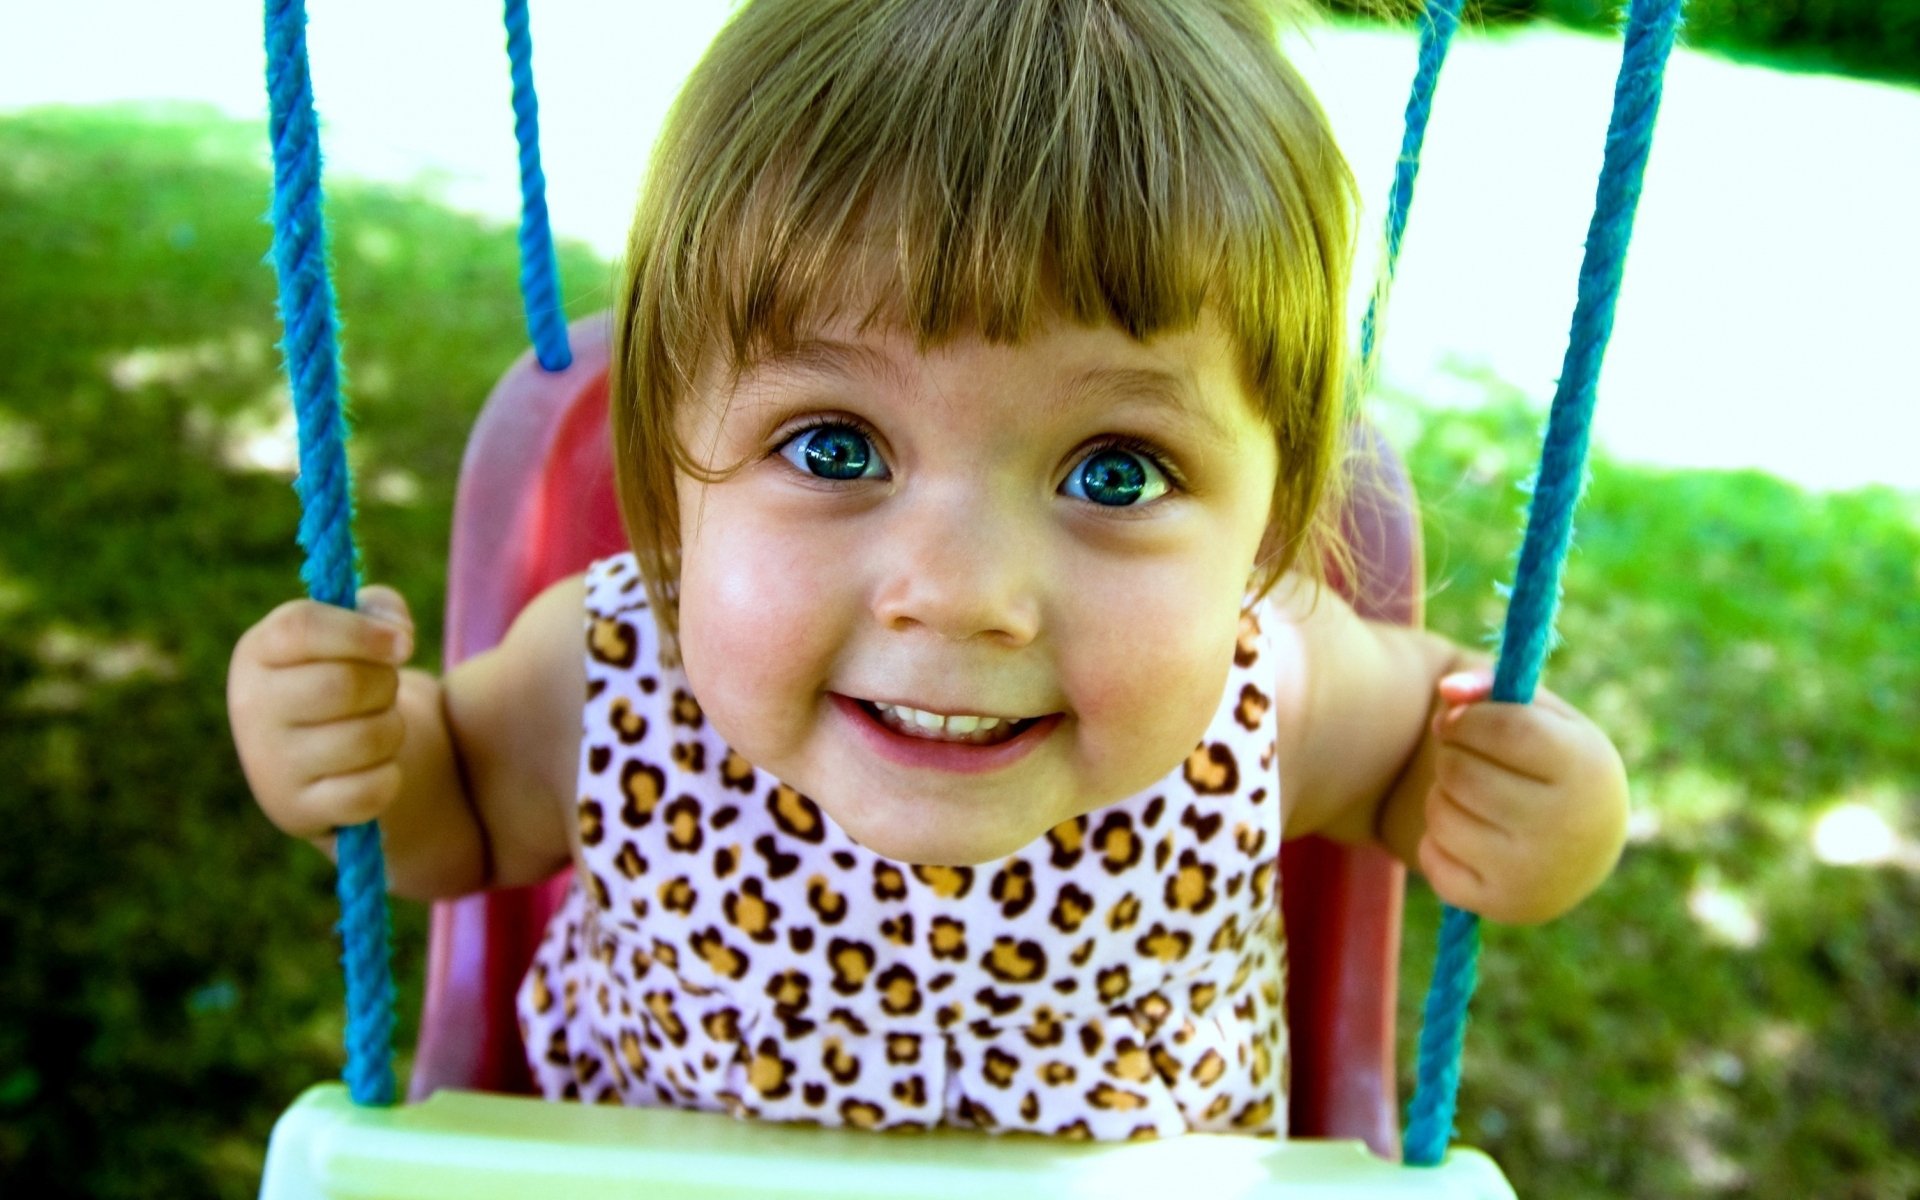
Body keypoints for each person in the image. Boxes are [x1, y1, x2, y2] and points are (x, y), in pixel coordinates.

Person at [228, 0, 1627, 1141]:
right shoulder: (609, 678)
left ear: (1265, 532)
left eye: (1116, 474)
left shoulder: (1281, 688)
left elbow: (1439, 759)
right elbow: (456, 812)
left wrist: (1546, 811)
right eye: (834, 447)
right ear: (667, 473)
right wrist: (362, 752)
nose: (959, 594)